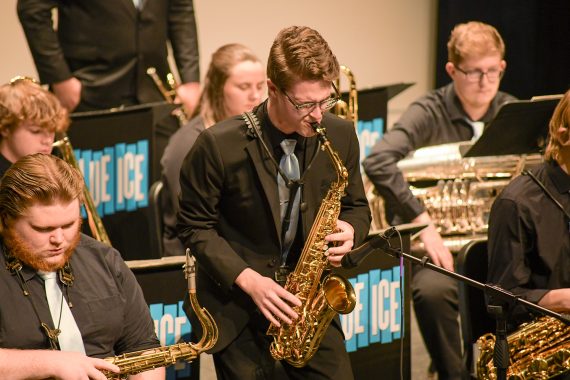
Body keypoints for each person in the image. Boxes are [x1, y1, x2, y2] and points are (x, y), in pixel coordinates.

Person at [177, 26, 371, 379]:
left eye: (325, 100)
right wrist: (249, 280)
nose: (317, 114)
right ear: (272, 89)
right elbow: (194, 227)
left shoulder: (340, 134)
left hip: (306, 303)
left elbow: (357, 205)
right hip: (239, 305)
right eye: (305, 104)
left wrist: (351, 230)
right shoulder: (218, 145)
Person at [362, 21, 516, 379]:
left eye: (494, 71)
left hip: (500, 248)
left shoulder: (513, 114)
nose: (485, 81)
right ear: (451, 70)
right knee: (431, 292)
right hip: (442, 247)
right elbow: (377, 160)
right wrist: (424, 222)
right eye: (474, 72)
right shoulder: (428, 112)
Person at [0, 153, 164, 379]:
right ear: (7, 219)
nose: (59, 239)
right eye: (43, 229)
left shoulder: (105, 260)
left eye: (69, 224)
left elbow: (142, 347)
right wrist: (50, 363)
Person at [160, 43, 265, 256]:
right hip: (196, 261)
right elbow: (194, 226)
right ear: (218, 88)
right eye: (244, 87)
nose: (255, 96)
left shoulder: (258, 132)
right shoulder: (188, 143)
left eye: (260, 86)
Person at [17, 0, 200, 114]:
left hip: (154, 91)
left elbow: (181, 10)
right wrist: (60, 78)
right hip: (89, 92)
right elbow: (32, 8)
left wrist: (191, 81)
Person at [487, 89, 570, 329]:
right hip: (544, 340)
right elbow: (502, 299)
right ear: (564, 136)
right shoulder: (516, 203)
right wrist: (563, 299)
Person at [0, 76, 69, 178]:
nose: (48, 140)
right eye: (36, 131)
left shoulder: (55, 169)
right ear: (6, 129)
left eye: (52, 130)